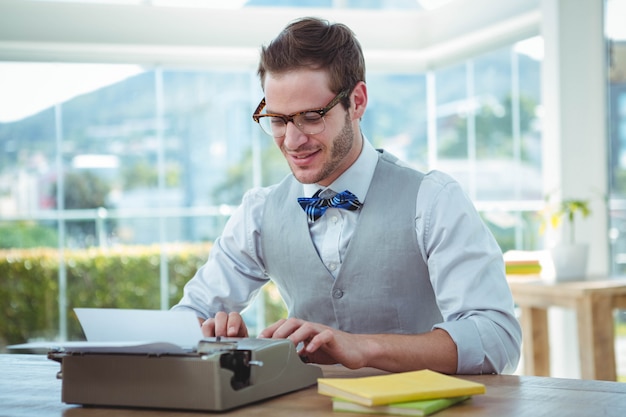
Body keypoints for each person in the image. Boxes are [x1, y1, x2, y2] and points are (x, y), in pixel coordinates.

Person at [172, 17, 521, 375]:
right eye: (278, 119)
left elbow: (497, 339)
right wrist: (215, 337)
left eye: (311, 117)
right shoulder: (259, 213)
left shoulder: (433, 201)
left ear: (356, 102)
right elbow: (185, 318)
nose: (292, 141)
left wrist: (363, 346)